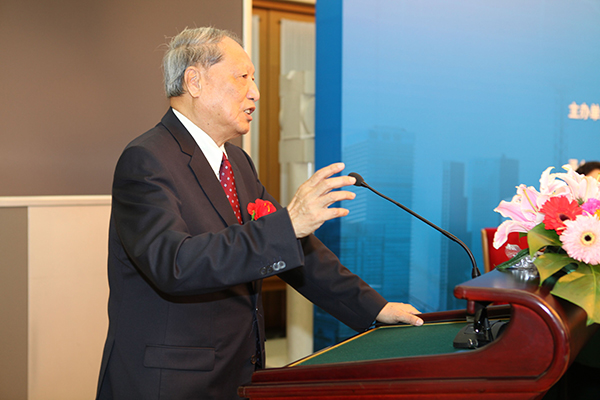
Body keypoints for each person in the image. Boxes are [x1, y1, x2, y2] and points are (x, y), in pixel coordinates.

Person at [96, 27, 423, 400]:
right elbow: (176, 264)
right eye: (243, 77)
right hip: (170, 383)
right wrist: (288, 224)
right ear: (194, 81)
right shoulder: (146, 159)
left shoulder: (237, 162)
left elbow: (294, 250)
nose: (255, 92)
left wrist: (374, 307)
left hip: (237, 374)